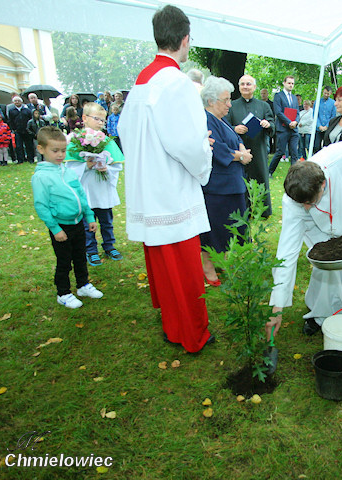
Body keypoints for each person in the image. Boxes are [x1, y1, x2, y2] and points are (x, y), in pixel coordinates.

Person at [118, 4, 215, 353]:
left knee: (164, 267)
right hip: (171, 190)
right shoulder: (177, 83)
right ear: (185, 38)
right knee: (184, 271)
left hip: (149, 184)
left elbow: (125, 133)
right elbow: (186, 143)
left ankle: (172, 326)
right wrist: (205, 155)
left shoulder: (142, 81)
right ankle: (192, 335)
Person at [266, 142, 342, 339]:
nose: (306, 207)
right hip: (318, 224)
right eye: (302, 204)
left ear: (323, 184)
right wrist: (277, 308)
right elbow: (286, 253)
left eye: (310, 203)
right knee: (326, 263)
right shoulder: (293, 201)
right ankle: (320, 314)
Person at [31, 126, 104, 309]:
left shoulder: (68, 171)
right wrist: (55, 229)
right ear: (41, 149)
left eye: (63, 150)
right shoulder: (41, 177)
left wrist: (89, 216)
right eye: (54, 151)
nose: (60, 155)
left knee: (80, 256)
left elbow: (80, 194)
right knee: (64, 261)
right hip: (61, 227)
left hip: (78, 223)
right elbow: (41, 205)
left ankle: (83, 285)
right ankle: (63, 293)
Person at [199, 76, 253, 285]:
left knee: (232, 227)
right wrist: (240, 156)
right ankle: (208, 267)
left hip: (233, 184)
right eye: (226, 100)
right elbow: (215, 149)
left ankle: (222, 262)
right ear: (211, 101)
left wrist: (240, 150)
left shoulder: (220, 119)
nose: (230, 104)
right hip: (218, 188)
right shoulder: (205, 119)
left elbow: (235, 139)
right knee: (214, 230)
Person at [65, 102, 125, 266]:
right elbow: (69, 168)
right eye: (96, 119)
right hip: (86, 188)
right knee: (87, 223)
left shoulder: (107, 141)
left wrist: (107, 168)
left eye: (103, 120)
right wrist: (86, 165)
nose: (100, 122)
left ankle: (109, 245)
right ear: (84, 118)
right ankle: (91, 249)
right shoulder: (76, 140)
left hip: (102, 188)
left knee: (106, 221)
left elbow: (117, 165)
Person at [226, 74, 275, 217]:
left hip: (258, 148)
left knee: (260, 177)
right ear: (239, 87)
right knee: (240, 178)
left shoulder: (264, 105)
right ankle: (242, 209)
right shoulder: (232, 105)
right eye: (242, 84)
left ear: (254, 87)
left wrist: (267, 124)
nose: (245, 87)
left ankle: (262, 210)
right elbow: (225, 125)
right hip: (238, 148)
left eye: (248, 84)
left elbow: (272, 125)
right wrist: (235, 128)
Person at [268, 75, 300, 176]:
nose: (291, 85)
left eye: (292, 83)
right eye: (289, 83)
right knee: (280, 152)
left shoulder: (294, 98)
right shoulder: (278, 96)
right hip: (283, 128)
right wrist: (289, 122)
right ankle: (269, 172)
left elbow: (297, 112)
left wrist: (295, 122)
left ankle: (293, 175)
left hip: (294, 129)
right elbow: (278, 112)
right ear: (284, 83)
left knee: (294, 153)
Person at [8, 95, 34, 163]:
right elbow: (10, 120)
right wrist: (13, 129)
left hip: (27, 130)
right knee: (19, 146)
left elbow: (30, 119)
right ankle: (20, 159)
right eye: (15, 101)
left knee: (29, 145)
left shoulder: (27, 110)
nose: (17, 102)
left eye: (18, 101)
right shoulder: (11, 111)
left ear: (21, 102)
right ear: (13, 102)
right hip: (17, 131)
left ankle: (30, 159)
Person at [313, 86, 336, 154]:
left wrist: (327, 126)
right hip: (318, 129)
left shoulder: (333, 103)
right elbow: (315, 115)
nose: (326, 95)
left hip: (328, 128)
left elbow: (333, 116)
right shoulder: (317, 102)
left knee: (327, 147)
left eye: (328, 94)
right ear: (323, 92)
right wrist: (319, 125)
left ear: (330, 93)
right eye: (325, 93)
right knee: (316, 146)